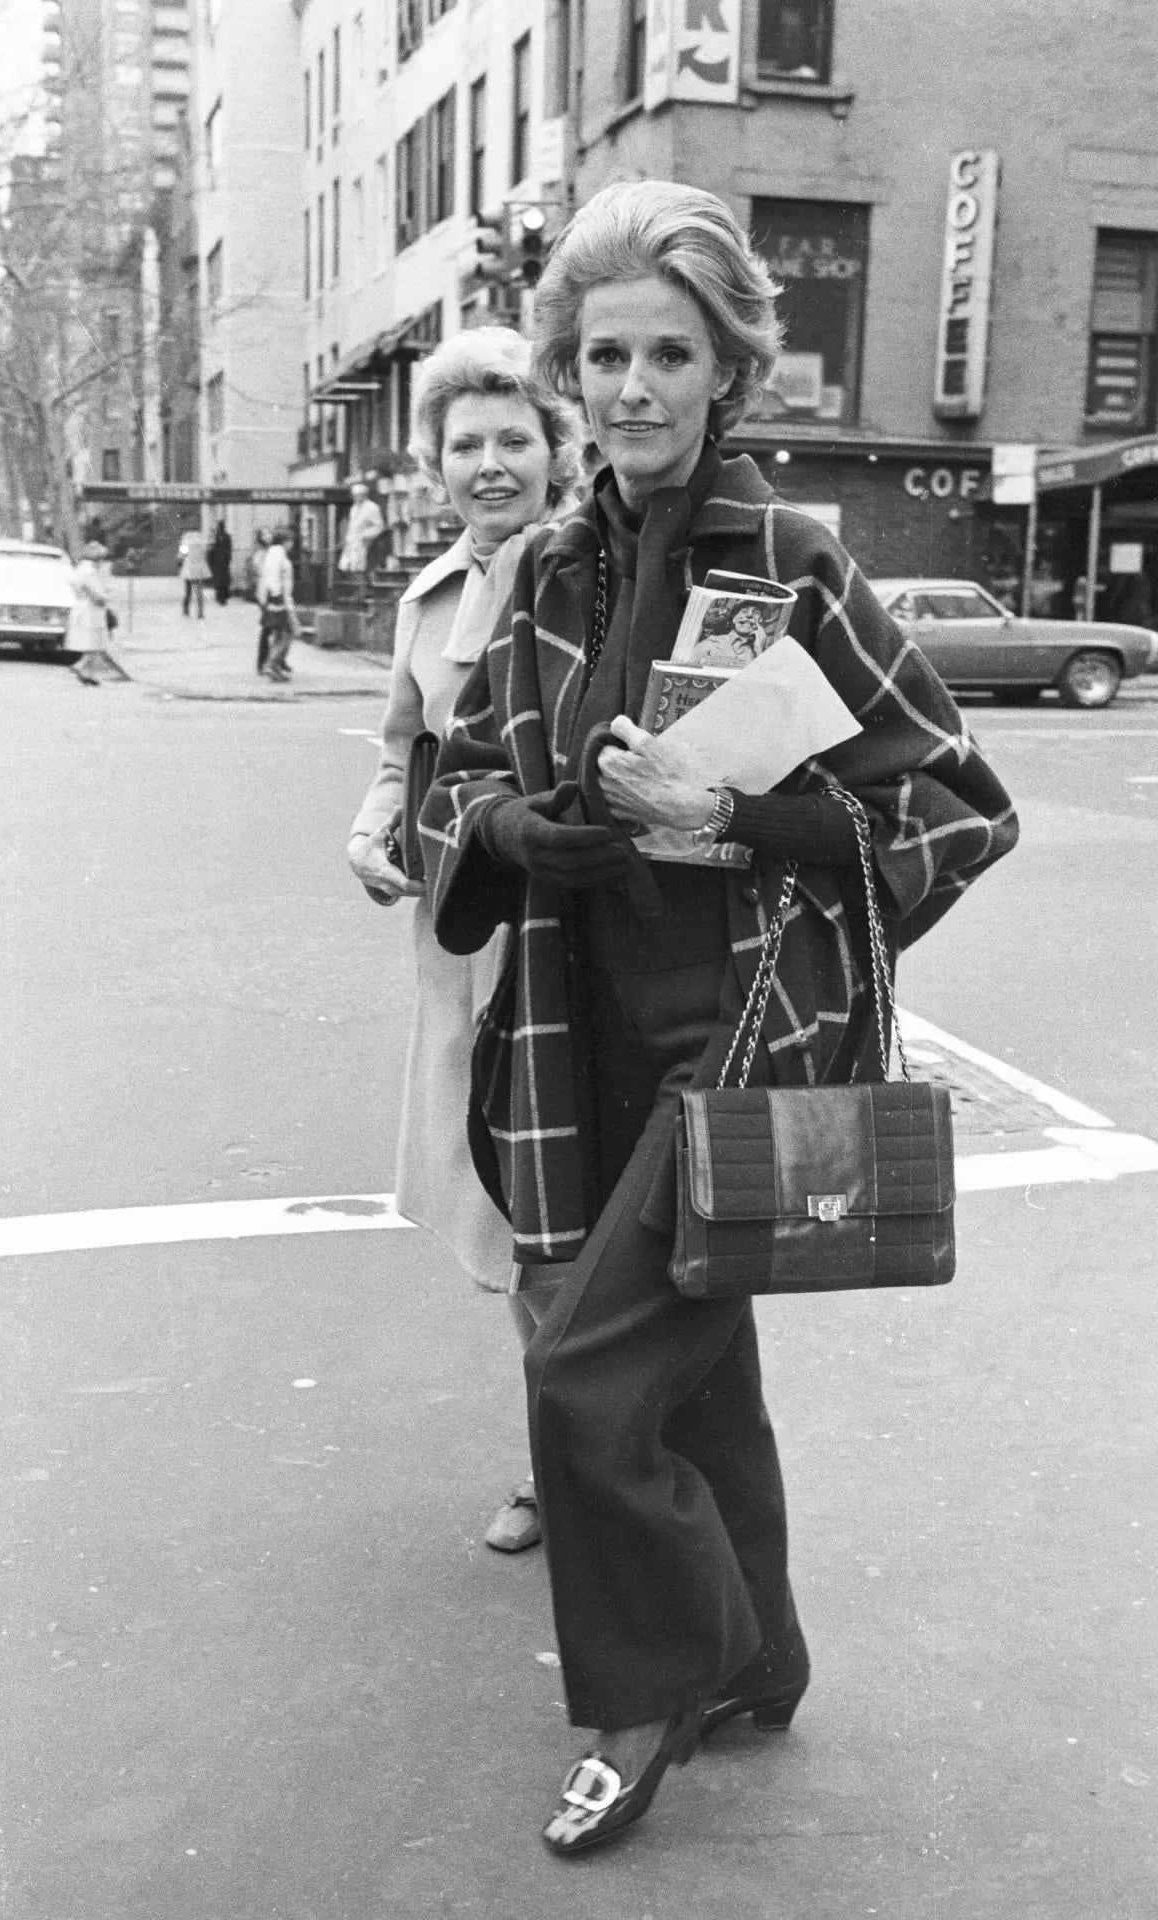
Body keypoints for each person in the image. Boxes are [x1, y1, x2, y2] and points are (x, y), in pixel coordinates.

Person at [419, 181, 1019, 1854]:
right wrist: (518, 832)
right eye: (602, 352)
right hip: (572, 1043)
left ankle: (650, 1687)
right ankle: (759, 1665)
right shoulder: (539, 570)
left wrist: (756, 822)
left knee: (590, 1381)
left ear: (724, 371)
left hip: (751, 1043)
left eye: (667, 352)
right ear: (567, 371)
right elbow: (445, 798)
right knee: (698, 1381)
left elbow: (963, 805)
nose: (630, 386)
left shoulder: (797, 562)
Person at [347, 328, 583, 1553]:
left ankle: (585, 1466)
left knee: (575, 1206)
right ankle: (558, 1458)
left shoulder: (593, 568)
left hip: (576, 933)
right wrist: (373, 830)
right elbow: (402, 749)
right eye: (466, 444)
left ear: (558, 449)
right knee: (502, 1206)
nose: (491, 463)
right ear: (436, 464)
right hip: (464, 937)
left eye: (515, 439)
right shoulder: (429, 595)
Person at [258, 525, 297, 681]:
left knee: (280, 634)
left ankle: (274, 665)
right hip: (279, 600)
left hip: (278, 599)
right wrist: (278, 596)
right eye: (291, 541)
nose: (292, 544)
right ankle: (272, 664)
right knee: (288, 633)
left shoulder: (276, 554)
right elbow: (274, 577)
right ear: (284, 541)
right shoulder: (277, 555)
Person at [68, 535, 114, 651]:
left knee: (91, 649)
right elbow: (98, 596)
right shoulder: (89, 572)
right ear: (98, 558)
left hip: (82, 609)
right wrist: (105, 598)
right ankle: (80, 668)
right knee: (92, 647)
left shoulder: (79, 570)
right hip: (91, 612)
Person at [337, 481, 385, 583]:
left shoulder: (372, 507)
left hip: (364, 543)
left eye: (358, 495)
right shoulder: (354, 508)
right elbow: (352, 526)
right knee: (345, 567)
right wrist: (346, 539)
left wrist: (366, 535)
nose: (356, 498)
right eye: (354, 496)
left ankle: (362, 591)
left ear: (364, 495)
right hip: (351, 542)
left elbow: (379, 526)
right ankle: (357, 590)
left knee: (359, 569)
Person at [250, 529, 273, 671]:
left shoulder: (272, 553)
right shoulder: (259, 555)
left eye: (269, 533)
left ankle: (267, 661)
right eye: (265, 534)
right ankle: (264, 662)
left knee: (271, 628)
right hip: (265, 594)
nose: (268, 536)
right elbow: (263, 572)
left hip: (272, 593)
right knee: (268, 627)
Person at [178, 529, 206, 618]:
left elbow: (180, 556)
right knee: (199, 592)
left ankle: (186, 610)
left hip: (189, 569)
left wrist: (179, 565)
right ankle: (200, 612)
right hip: (199, 570)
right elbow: (205, 554)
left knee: (188, 591)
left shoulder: (186, 543)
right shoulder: (202, 543)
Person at [207, 520, 233, 606]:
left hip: (218, 561)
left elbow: (212, 549)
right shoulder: (227, 536)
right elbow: (230, 549)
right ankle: (223, 598)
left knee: (219, 580)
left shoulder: (216, 536)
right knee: (224, 581)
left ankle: (220, 598)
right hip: (224, 561)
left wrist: (211, 561)